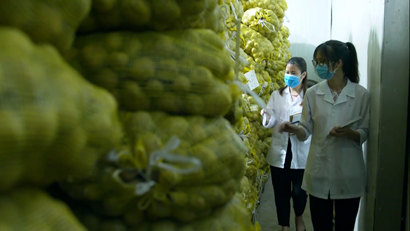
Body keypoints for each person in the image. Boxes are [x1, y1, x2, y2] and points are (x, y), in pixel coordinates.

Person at [279, 40, 370, 231]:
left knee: (345, 226)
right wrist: (295, 130)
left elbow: (365, 132)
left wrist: (349, 133)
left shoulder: (361, 95)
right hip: (319, 171)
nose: (318, 66)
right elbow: (306, 130)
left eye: (322, 61)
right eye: (316, 62)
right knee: (321, 226)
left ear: (339, 63)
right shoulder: (313, 94)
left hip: (348, 173)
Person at [261, 57, 311, 231]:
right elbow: (270, 121)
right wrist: (267, 116)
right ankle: (284, 225)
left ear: (303, 75)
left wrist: (296, 127)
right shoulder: (277, 95)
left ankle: (299, 217)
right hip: (280, 152)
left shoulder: (310, 97)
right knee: (280, 193)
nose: (289, 76)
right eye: (287, 72)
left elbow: (313, 125)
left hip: (301, 151)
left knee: (299, 192)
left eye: (293, 73)